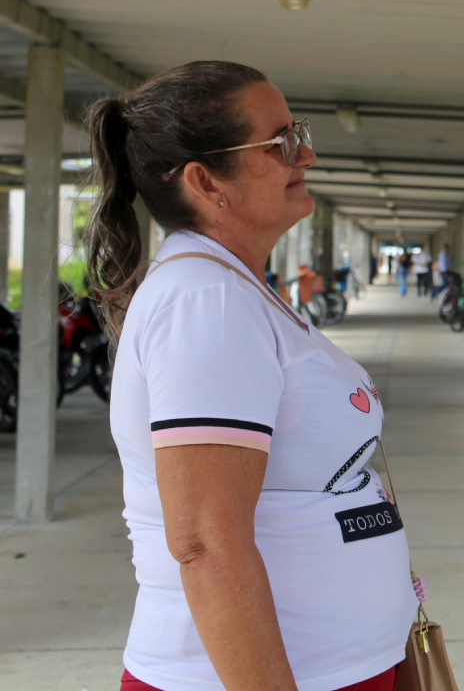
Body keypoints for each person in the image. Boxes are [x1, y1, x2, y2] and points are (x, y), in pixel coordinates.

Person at [84, 62, 417, 691]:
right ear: (208, 181)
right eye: (282, 142)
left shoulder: (235, 288)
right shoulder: (204, 301)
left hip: (335, 665)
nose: (307, 154)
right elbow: (207, 544)